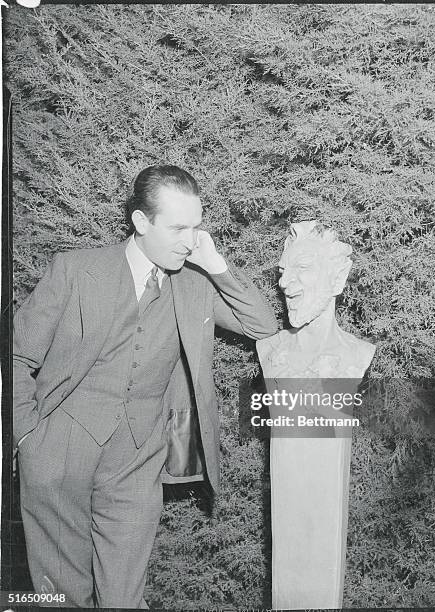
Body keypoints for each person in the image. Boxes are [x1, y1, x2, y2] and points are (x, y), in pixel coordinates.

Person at [13, 164, 278, 608]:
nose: (190, 239)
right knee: (59, 598)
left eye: (197, 226)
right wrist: (27, 435)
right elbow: (17, 356)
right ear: (141, 222)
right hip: (59, 452)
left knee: (125, 598)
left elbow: (262, 324)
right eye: (178, 227)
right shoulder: (76, 270)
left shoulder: (196, 285)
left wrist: (216, 264)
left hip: (138, 461)